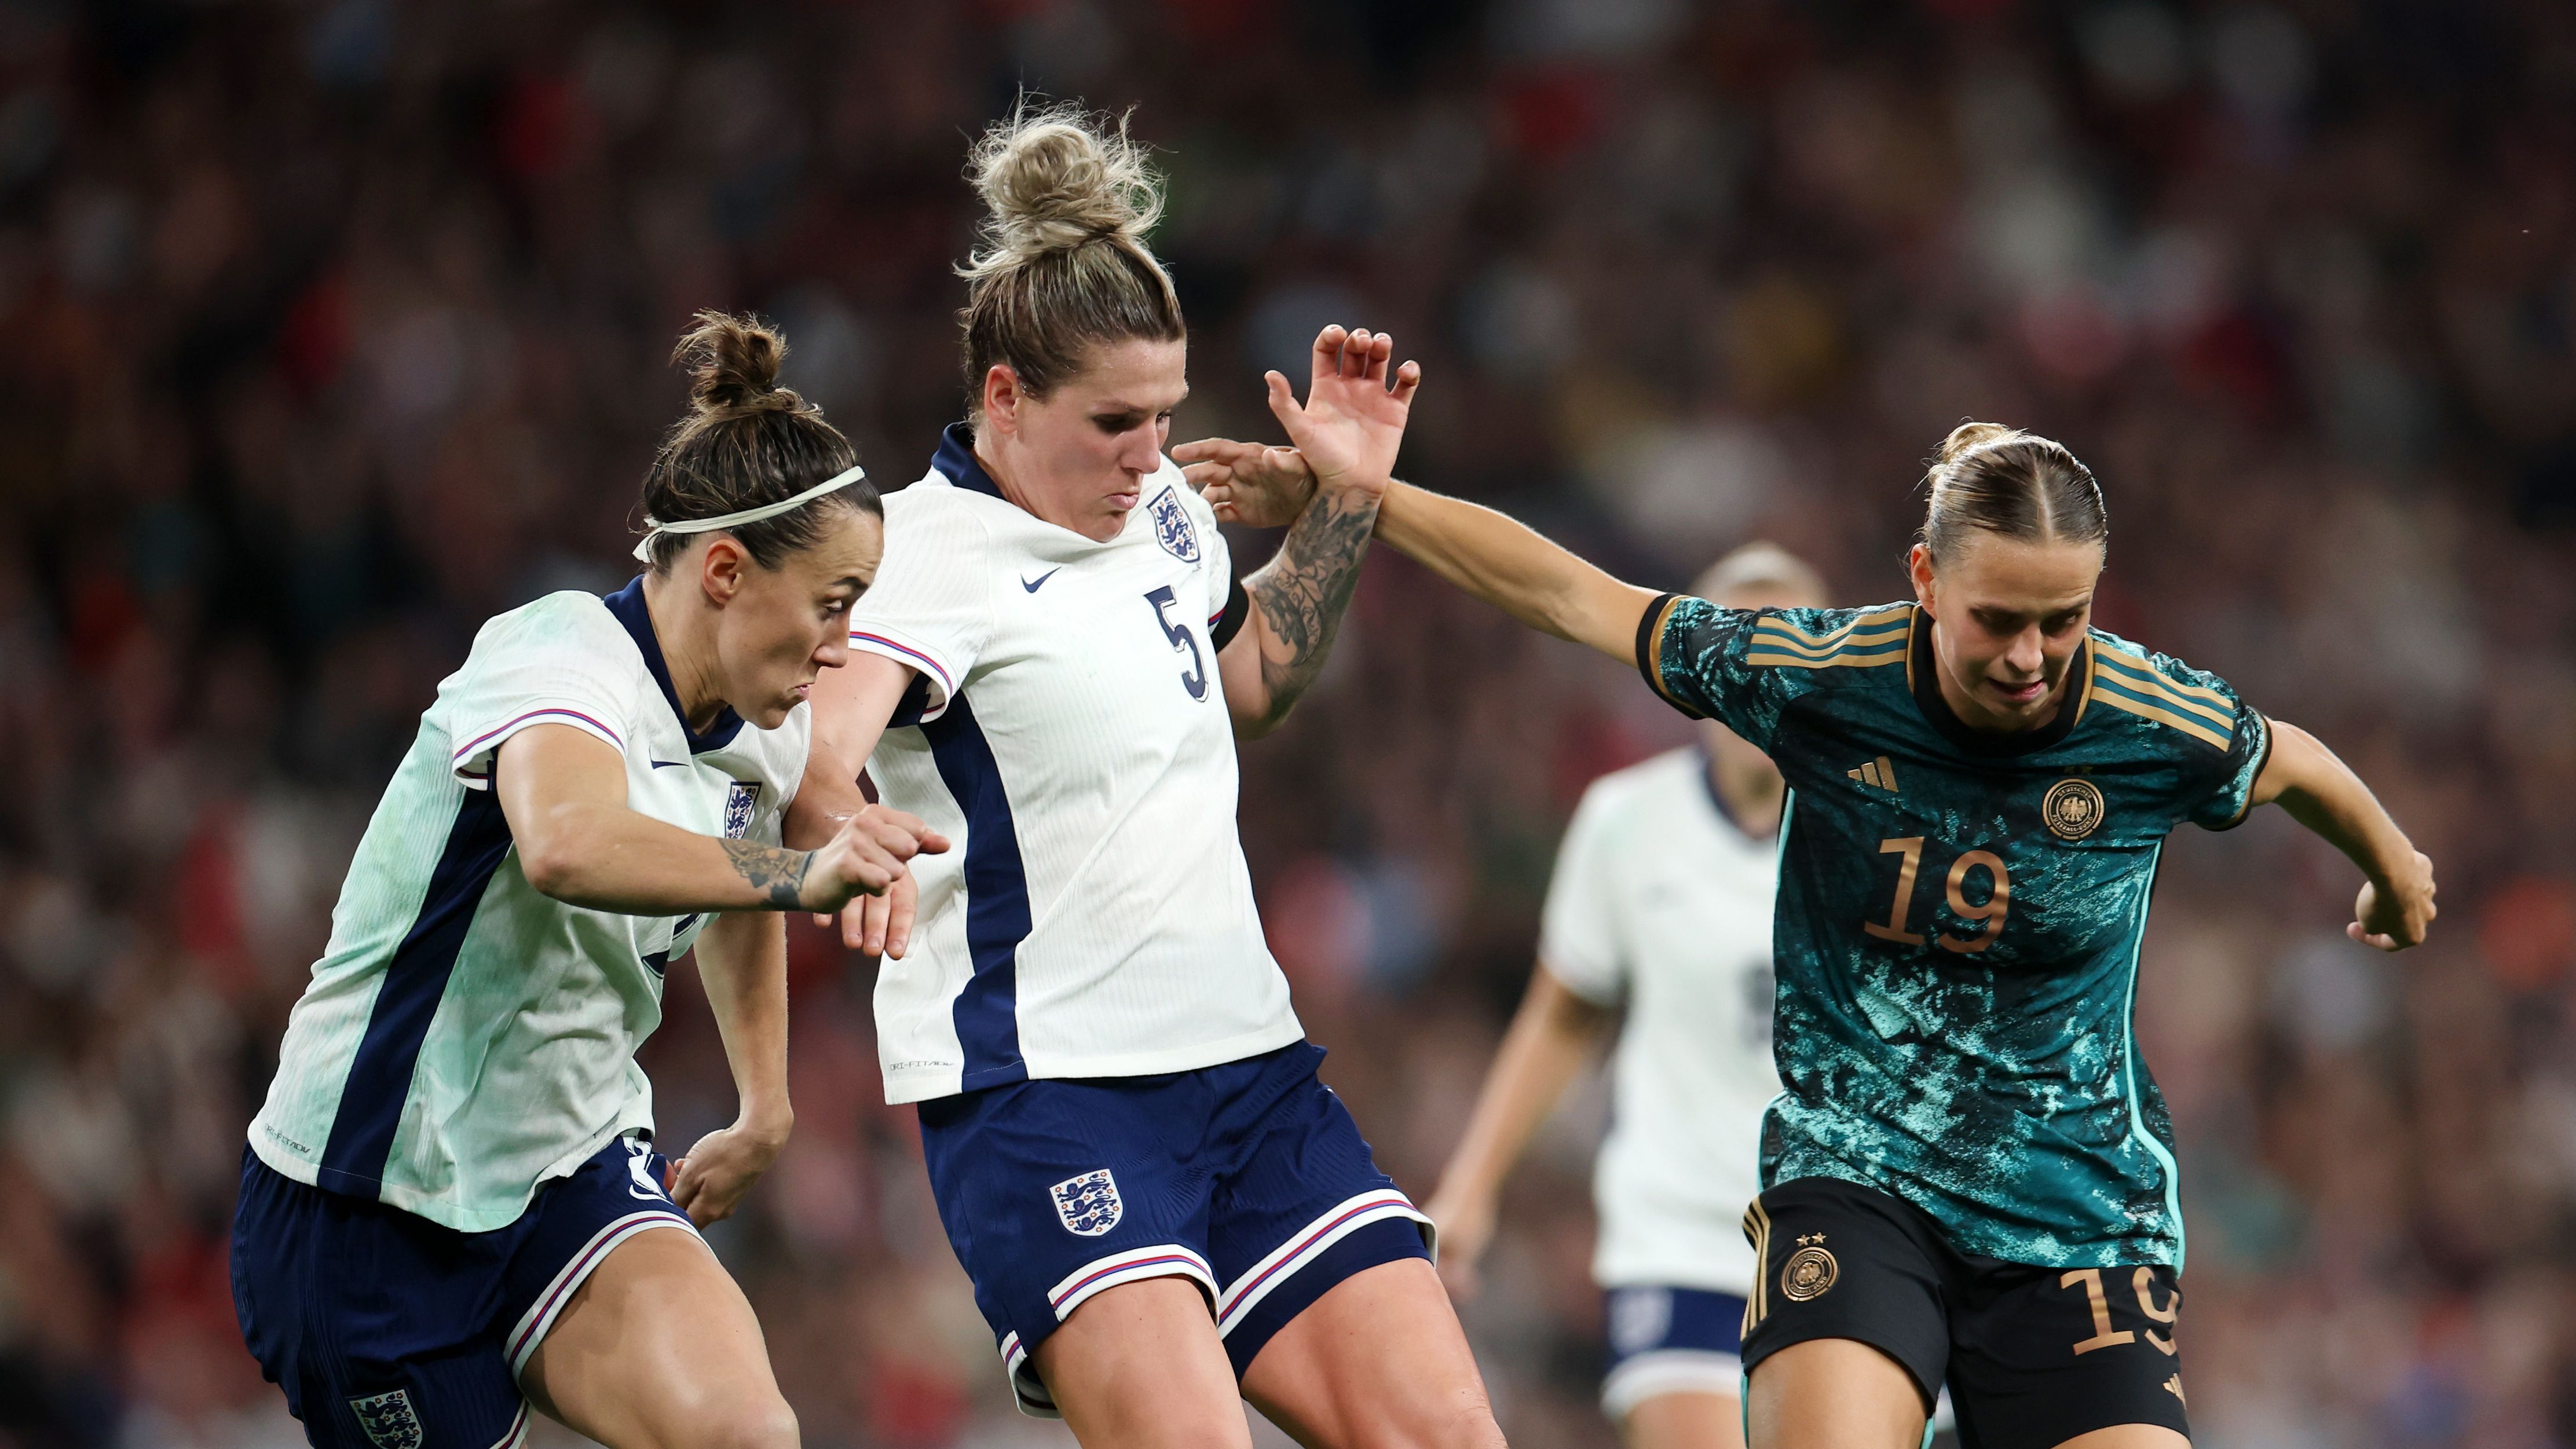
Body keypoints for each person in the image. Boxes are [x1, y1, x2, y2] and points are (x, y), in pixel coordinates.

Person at [1181, 421, 2437, 1449]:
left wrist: (2390, 862)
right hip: (1860, 1184)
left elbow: (2291, 762)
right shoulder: (1821, 681)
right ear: (1925, 580)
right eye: (1999, 618)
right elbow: (1574, 597)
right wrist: (1366, 494)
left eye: (2064, 620)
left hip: (2080, 1213)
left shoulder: (2150, 714)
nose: (2033, 657)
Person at [796, 104, 1504, 1449]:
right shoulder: (914, 552)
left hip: (1250, 1073)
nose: (1149, 456)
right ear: (1002, 397)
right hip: (1048, 1096)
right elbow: (824, 758)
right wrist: (852, 840)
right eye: (1116, 422)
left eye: (1167, 417)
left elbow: (1253, 686)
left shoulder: (1166, 514)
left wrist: (1345, 502)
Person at [231, 314, 945, 1449]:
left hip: (569, 1163)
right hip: (368, 1209)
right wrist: (801, 871)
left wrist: (766, 1103)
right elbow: (568, 841)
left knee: (748, 1436)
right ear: (723, 571)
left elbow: (736, 887)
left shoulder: (759, 721)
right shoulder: (558, 657)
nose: (841, 647)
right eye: (831, 601)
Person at [1422, 543, 1822, 1449]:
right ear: (1692, 679)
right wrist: (1471, 1189)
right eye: (1734, 653)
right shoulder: (1626, 822)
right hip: (1679, 1229)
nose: (1758, 679)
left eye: (1788, 654)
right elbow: (1563, 1013)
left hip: (1852, 1234)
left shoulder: (1886, 837)